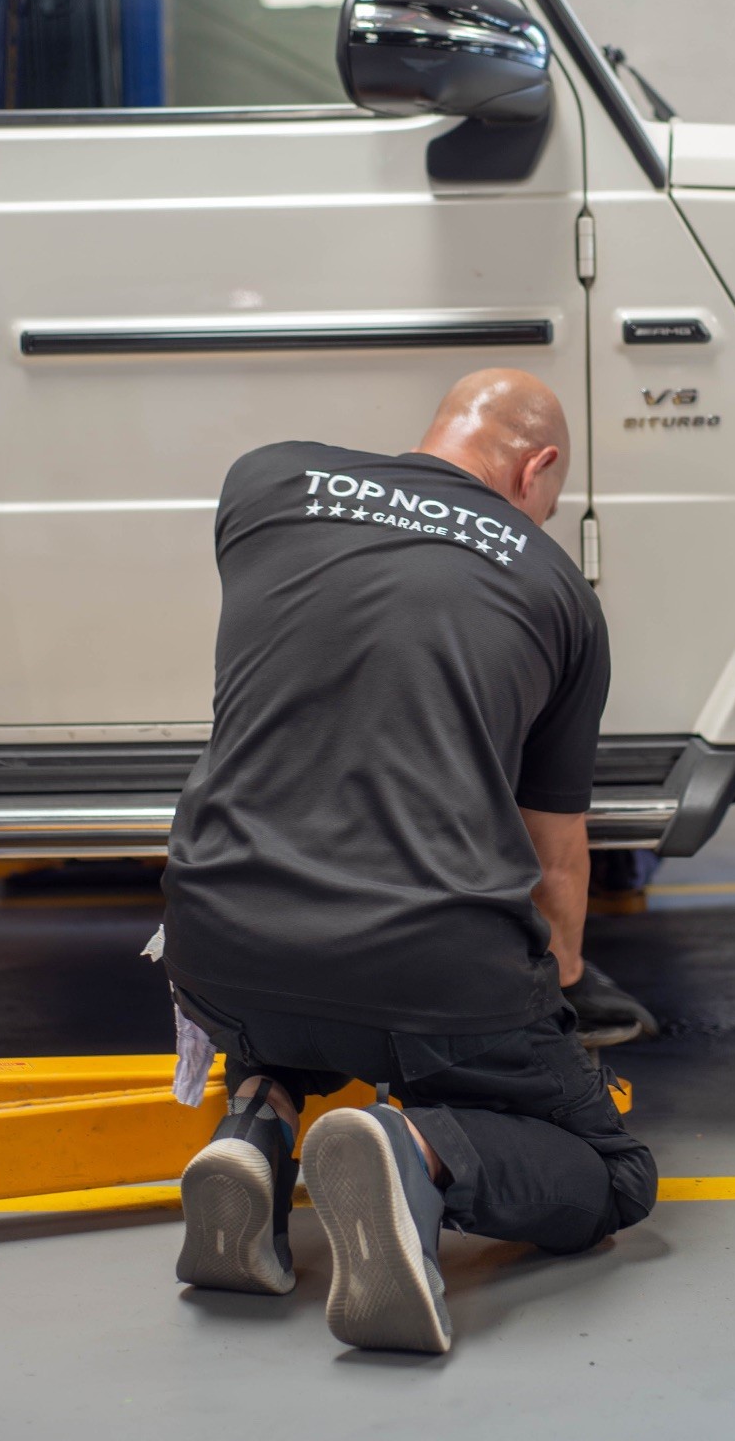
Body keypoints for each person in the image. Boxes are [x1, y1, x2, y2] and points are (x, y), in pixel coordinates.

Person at [161, 369, 658, 1354]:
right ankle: (416, 1152)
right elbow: (554, 858)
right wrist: (546, 1003)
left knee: (294, 942)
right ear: (538, 466)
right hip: (426, 973)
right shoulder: (557, 590)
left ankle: (253, 1131)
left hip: (213, 940)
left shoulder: (264, 483)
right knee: (613, 1171)